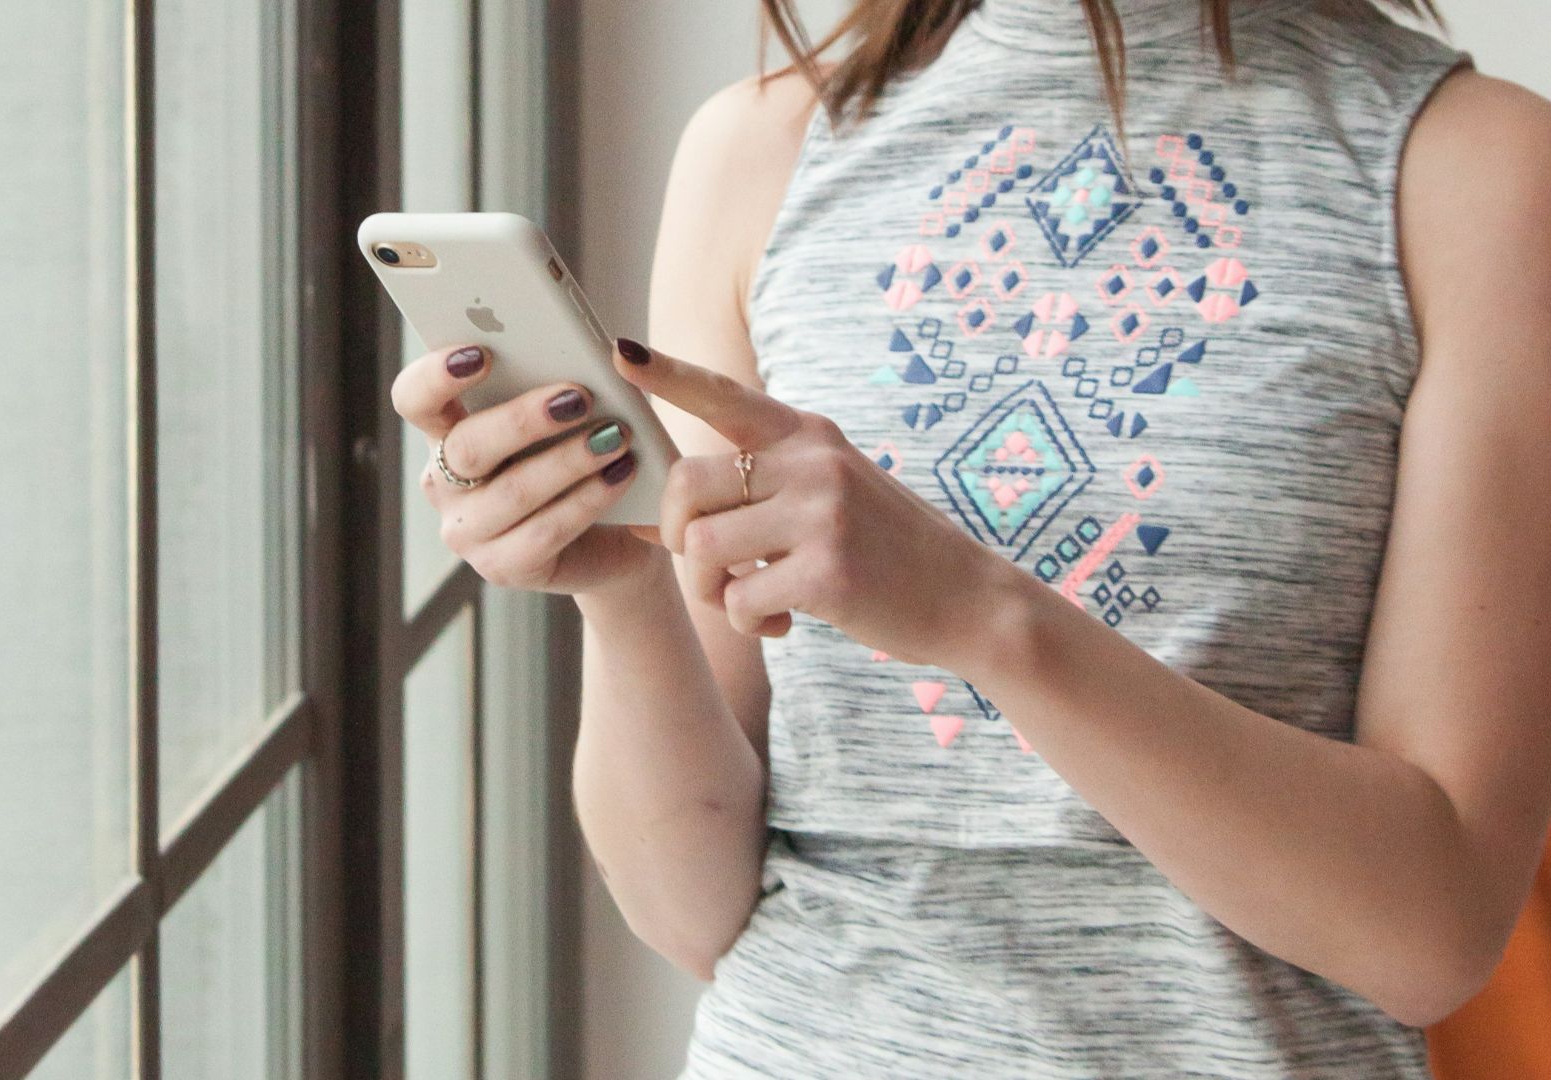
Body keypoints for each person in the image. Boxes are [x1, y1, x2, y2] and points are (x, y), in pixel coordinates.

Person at [390, 0, 1551, 1073]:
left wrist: (979, 619)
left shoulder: (1473, 169)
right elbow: (696, 913)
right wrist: (625, 593)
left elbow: (1431, 936)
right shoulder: (757, 150)